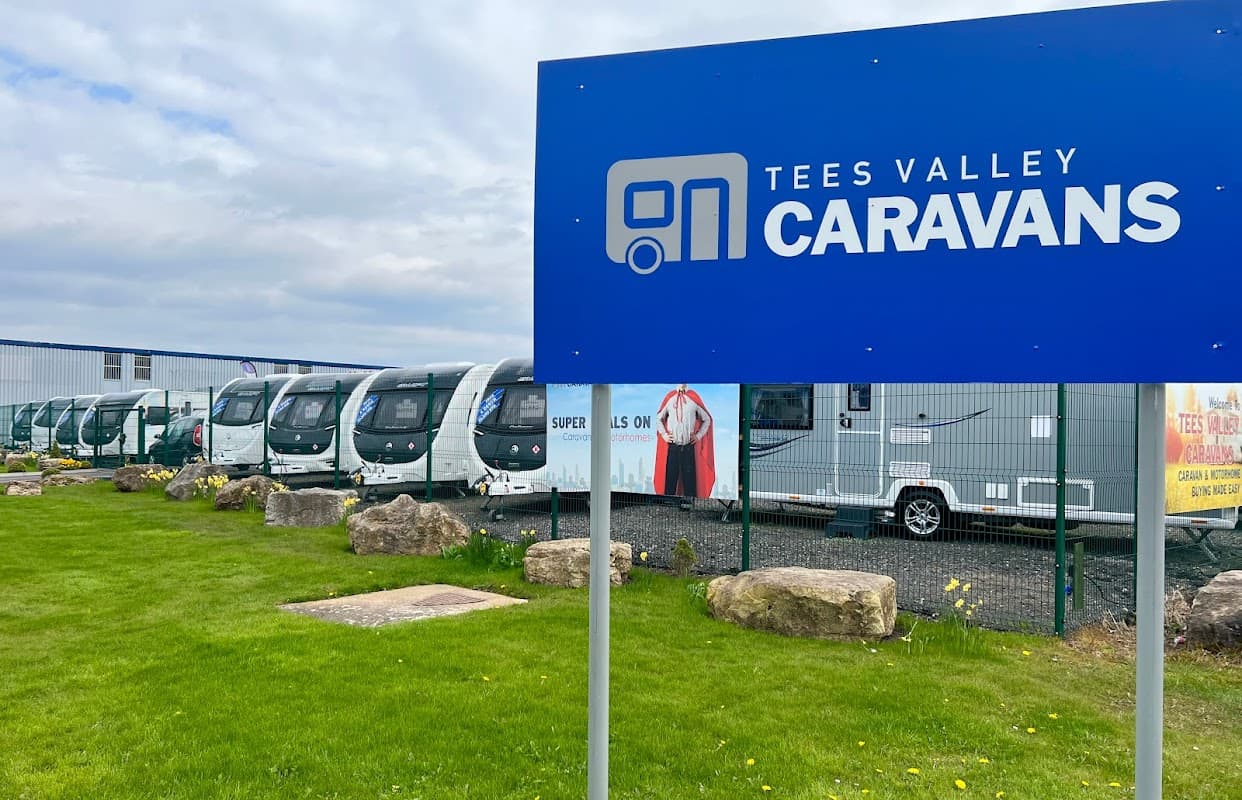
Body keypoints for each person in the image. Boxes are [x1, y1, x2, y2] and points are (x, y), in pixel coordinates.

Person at [653, 384, 715, 501]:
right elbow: (658, 418)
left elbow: (707, 419)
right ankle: (669, 503)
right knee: (670, 477)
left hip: (688, 446)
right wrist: (664, 435)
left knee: (689, 479)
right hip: (673, 445)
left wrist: (698, 436)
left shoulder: (693, 398)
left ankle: (688, 504)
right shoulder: (670, 398)